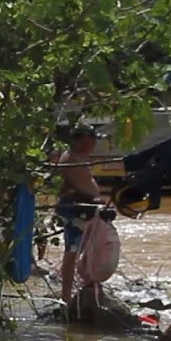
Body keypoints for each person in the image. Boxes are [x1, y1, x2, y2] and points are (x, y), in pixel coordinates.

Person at [54, 124, 103, 306]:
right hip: (76, 209)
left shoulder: (80, 157)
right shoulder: (70, 158)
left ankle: (83, 286)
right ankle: (65, 296)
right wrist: (89, 198)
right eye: (92, 140)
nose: (94, 144)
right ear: (81, 140)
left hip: (84, 208)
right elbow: (64, 187)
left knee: (85, 249)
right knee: (72, 251)